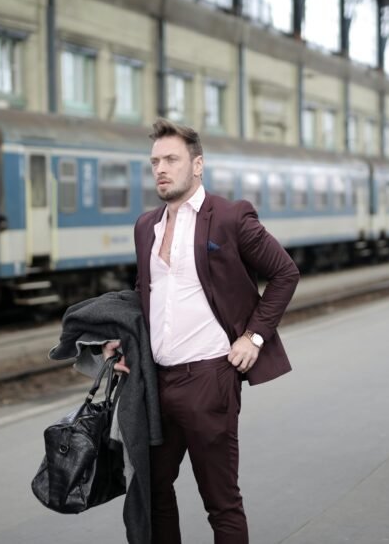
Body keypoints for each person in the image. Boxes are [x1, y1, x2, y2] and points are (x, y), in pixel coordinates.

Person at [105, 118, 300, 544]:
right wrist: (129, 345)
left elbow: (285, 273)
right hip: (156, 382)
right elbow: (148, 294)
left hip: (209, 379)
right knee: (153, 490)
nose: (161, 168)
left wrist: (254, 337)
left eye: (171, 159)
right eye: (155, 161)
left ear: (197, 165)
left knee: (221, 502)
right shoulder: (146, 226)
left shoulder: (230, 217)